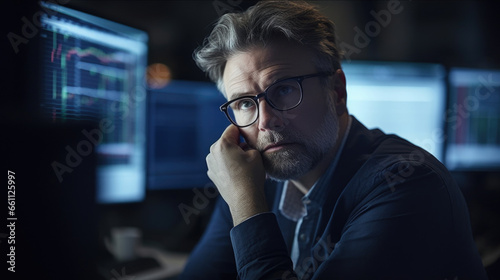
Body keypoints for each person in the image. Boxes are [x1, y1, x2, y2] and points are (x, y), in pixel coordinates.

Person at [179, 1, 488, 279]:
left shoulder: (408, 184)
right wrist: (242, 194)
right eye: (245, 102)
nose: (265, 120)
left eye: (284, 89)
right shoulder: (254, 176)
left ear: (337, 92)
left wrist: (246, 203)